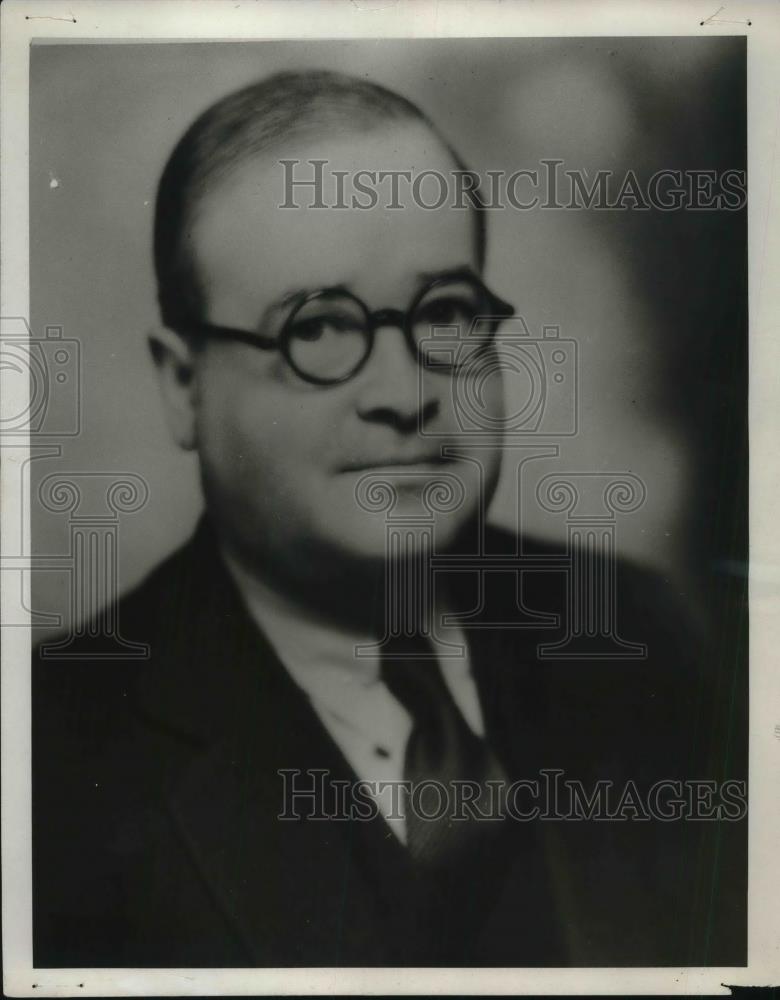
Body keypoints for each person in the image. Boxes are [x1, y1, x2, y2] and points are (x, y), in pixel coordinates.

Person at [32, 70, 745, 968]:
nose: (408, 395)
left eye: (445, 313)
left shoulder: (643, 636)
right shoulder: (48, 759)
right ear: (185, 386)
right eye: (319, 331)